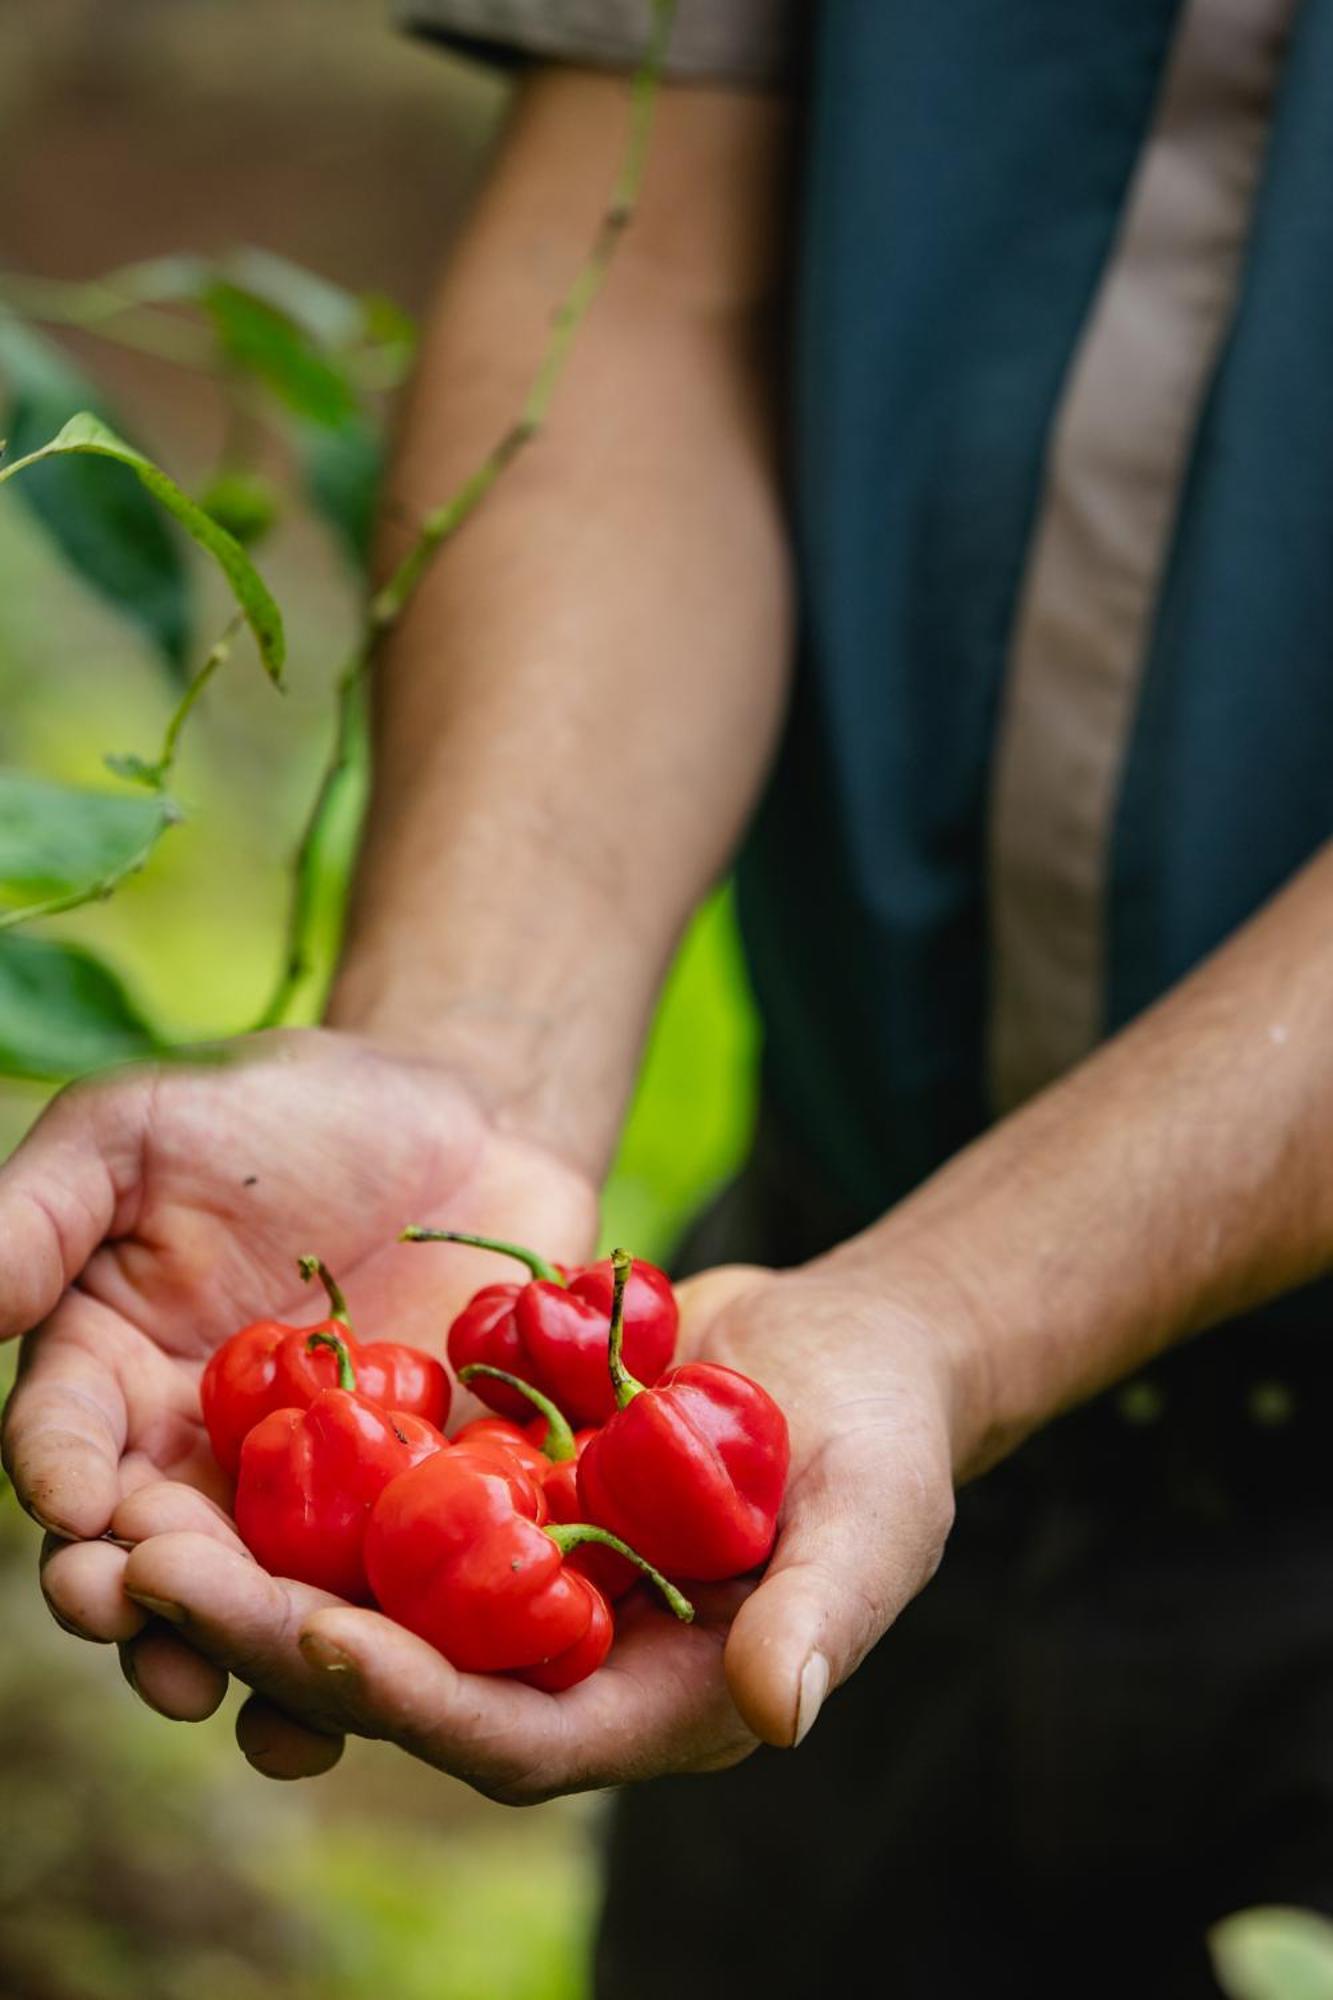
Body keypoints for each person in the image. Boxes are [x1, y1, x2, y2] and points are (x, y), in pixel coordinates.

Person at [6, 0, 1333, 1991]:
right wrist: (470, 1061)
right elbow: (648, 280)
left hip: (890, 1333)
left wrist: (958, 1306)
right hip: (837, 1293)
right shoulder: (682, 1413)